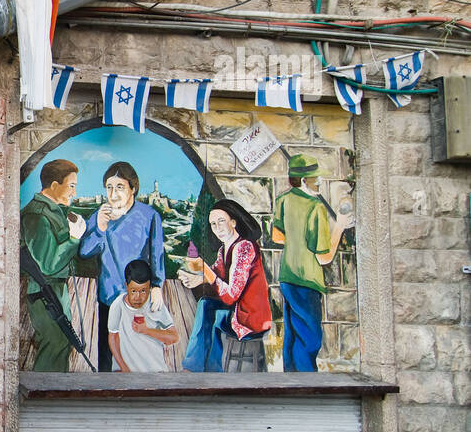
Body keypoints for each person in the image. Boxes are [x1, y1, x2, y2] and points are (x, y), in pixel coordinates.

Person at [78, 161, 166, 371]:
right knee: (108, 355)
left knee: (140, 352)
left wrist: (157, 285)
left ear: (132, 188)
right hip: (109, 295)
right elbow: (84, 252)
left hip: (138, 296)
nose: (113, 193)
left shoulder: (149, 215)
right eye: (109, 187)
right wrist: (99, 228)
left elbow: (157, 254)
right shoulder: (100, 215)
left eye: (120, 187)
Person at [270, 155, 355, 371]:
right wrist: (340, 226)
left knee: (292, 337)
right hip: (308, 279)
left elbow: (278, 237)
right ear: (303, 180)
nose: (318, 181)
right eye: (314, 177)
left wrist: (297, 241)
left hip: (288, 276)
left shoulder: (283, 200)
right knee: (310, 340)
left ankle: (291, 382)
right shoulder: (316, 207)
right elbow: (324, 257)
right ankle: (306, 383)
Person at [180, 199, 272, 371]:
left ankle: (206, 369)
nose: (217, 228)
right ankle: (197, 366)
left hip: (250, 316)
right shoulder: (224, 249)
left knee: (215, 316)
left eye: (221, 221)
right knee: (206, 304)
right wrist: (196, 278)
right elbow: (216, 276)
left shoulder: (244, 248)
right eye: (213, 224)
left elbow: (230, 296)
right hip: (237, 309)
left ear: (234, 222)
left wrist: (205, 273)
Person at [21, 159, 87, 371]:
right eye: (71, 186)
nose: (74, 192)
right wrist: (74, 239)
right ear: (55, 185)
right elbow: (48, 264)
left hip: (54, 289)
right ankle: (46, 392)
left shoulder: (52, 210)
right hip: (43, 290)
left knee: (61, 341)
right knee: (55, 342)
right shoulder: (37, 215)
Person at [107, 259, 178, 372]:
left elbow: (173, 337)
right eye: (134, 291)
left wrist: (146, 331)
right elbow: (113, 337)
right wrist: (124, 368)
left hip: (156, 373)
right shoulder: (118, 305)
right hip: (126, 375)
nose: (138, 297)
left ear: (150, 287)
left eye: (143, 291)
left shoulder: (155, 304)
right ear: (126, 286)